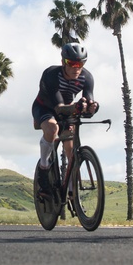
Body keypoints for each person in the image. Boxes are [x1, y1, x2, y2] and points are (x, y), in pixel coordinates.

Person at [31, 42, 100, 197]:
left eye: (80, 64)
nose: (76, 68)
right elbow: (58, 106)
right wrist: (75, 107)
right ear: (63, 62)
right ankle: (43, 167)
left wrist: (92, 107)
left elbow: (89, 99)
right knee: (52, 128)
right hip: (45, 107)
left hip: (67, 109)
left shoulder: (87, 77)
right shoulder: (51, 74)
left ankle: (70, 189)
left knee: (70, 147)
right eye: (72, 63)